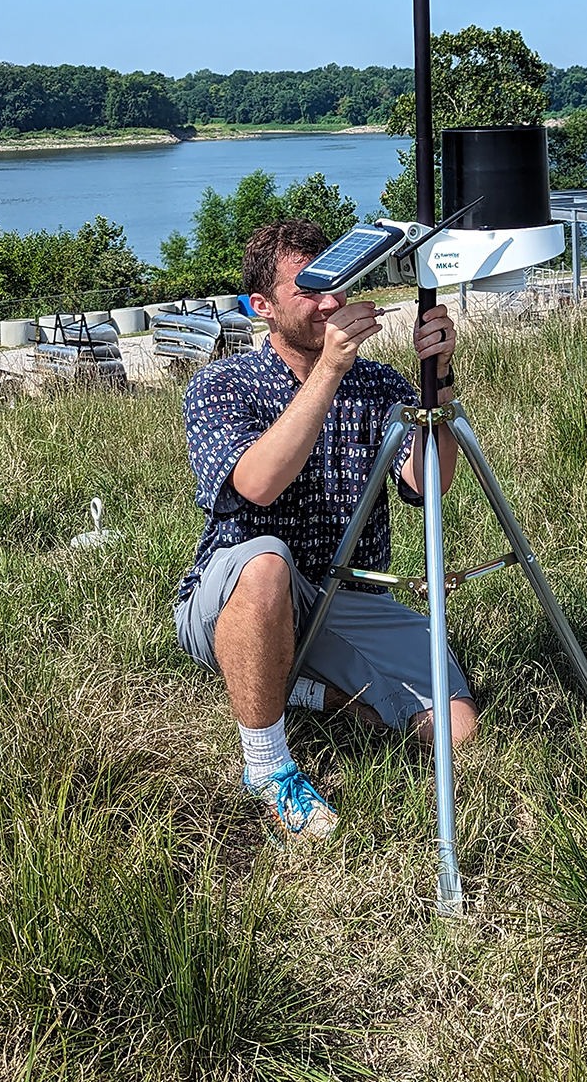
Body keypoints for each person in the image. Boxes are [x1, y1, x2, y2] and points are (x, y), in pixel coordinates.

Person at [174, 219, 477, 841]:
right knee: (267, 560)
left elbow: (429, 484)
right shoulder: (220, 384)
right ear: (261, 307)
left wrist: (439, 381)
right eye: (309, 289)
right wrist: (327, 374)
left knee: (456, 730)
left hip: (352, 595)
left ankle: (307, 692)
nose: (331, 303)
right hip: (241, 592)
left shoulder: (382, 384)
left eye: (337, 285)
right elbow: (258, 484)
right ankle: (267, 765)